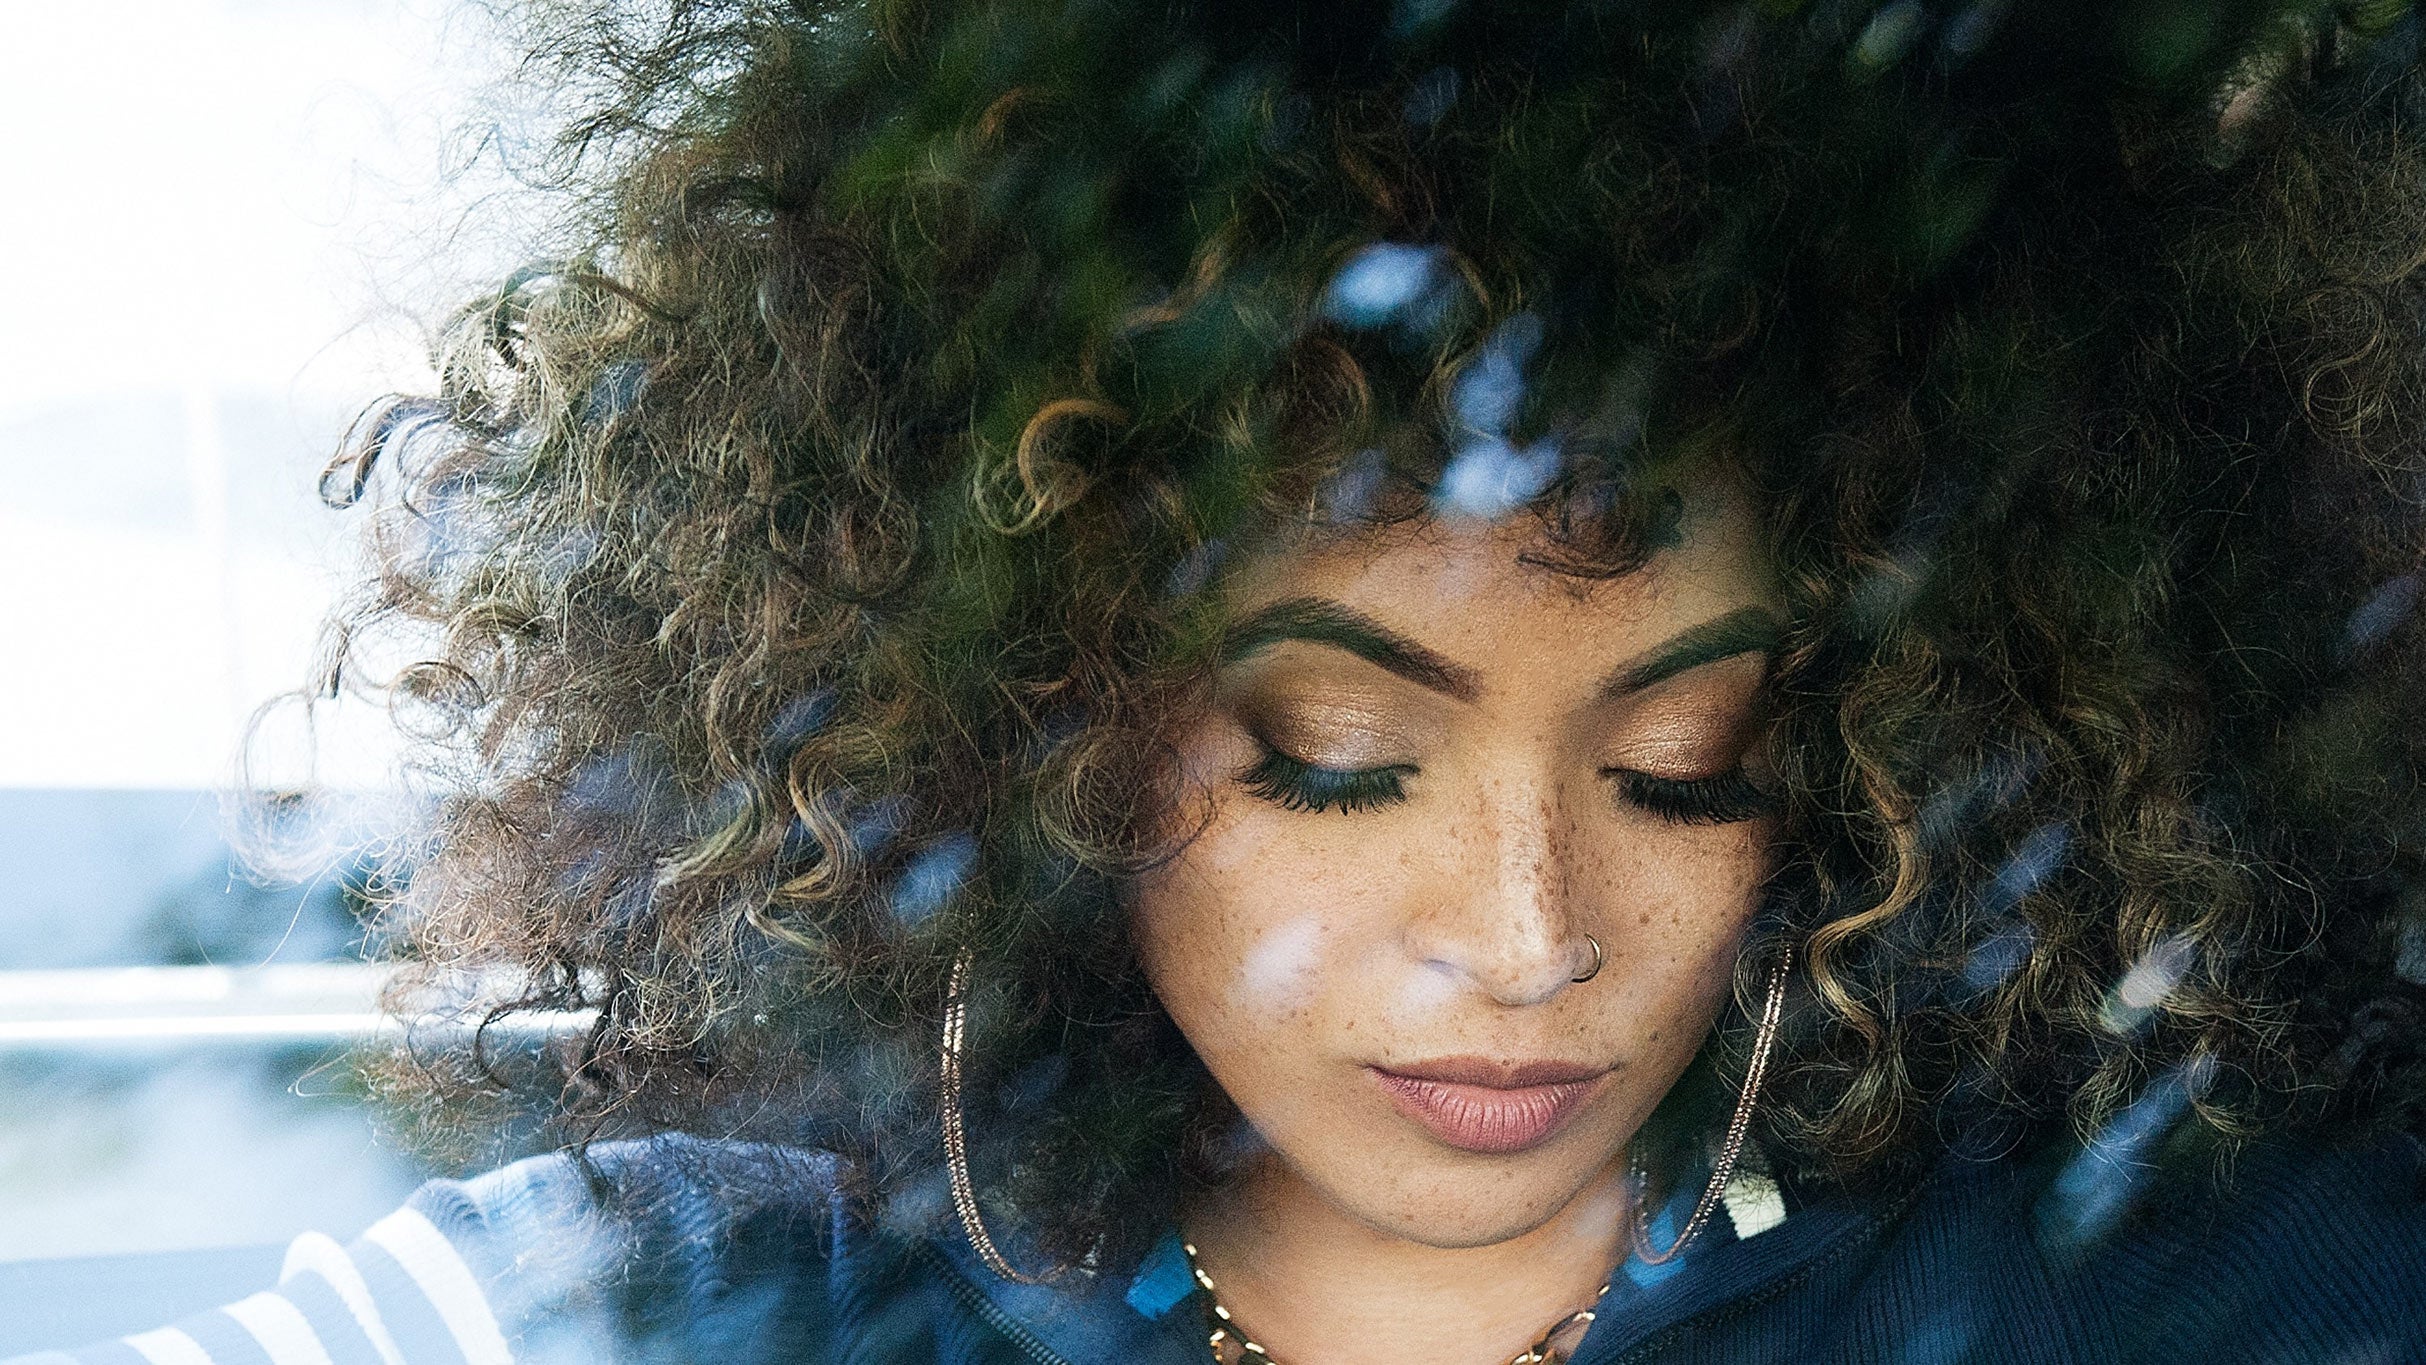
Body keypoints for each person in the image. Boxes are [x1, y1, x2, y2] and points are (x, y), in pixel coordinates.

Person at [15, 0, 2426, 1361]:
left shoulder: (2179, 1284)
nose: (1529, 935)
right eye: (1337, 759)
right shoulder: (660, 1297)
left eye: (1690, 762)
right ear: (1032, 732)